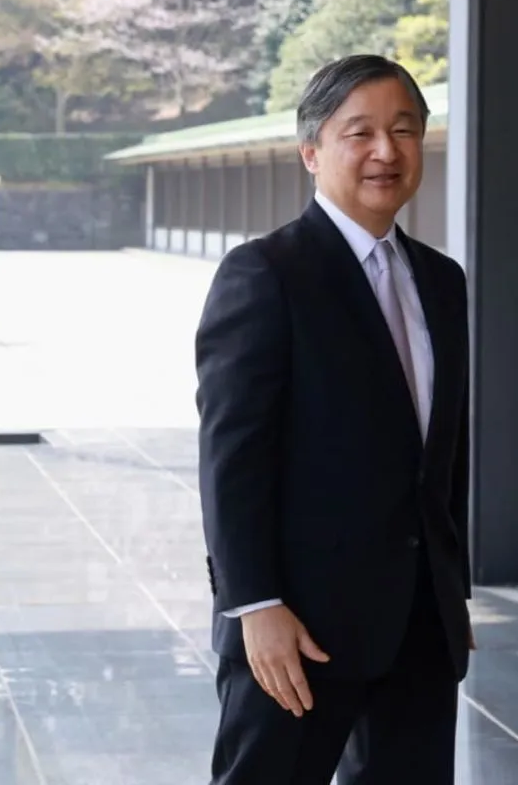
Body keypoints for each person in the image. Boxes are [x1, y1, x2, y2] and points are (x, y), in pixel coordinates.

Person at [195, 54, 475, 785]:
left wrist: (452, 592)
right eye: (361, 133)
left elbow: (443, 453)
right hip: (298, 629)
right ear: (311, 152)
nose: (387, 150)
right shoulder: (266, 274)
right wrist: (253, 605)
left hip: (419, 628)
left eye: (405, 130)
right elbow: (232, 458)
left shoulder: (442, 281)